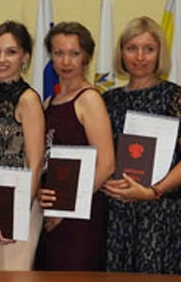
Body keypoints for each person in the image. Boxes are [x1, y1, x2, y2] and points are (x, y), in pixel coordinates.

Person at [101, 16, 181, 274]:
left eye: (149, 49)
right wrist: (104, 182)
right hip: (118, 214)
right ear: (121, 52)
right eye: (132, 48)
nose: (140, 57)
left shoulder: (174, 96)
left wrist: (153, 191)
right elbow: (100, 156)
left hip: (160, 213)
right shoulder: (108, 100)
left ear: (160, 53)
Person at [36, 22, 114, 271]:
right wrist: (38, 192)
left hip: (81, 217)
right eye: (59, 53)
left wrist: (67, 207)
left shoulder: (89, 99)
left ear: (86, 57)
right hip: (52, 212)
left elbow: (106, 164)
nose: (66, 61)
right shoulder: (48, 103)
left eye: (74, 53)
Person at [0, 21, 45, 270]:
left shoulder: (29, 100)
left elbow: (36, 163)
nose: (2, 59)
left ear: (25, 57)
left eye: (11, 52)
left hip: (20, 206)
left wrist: (17, 215)